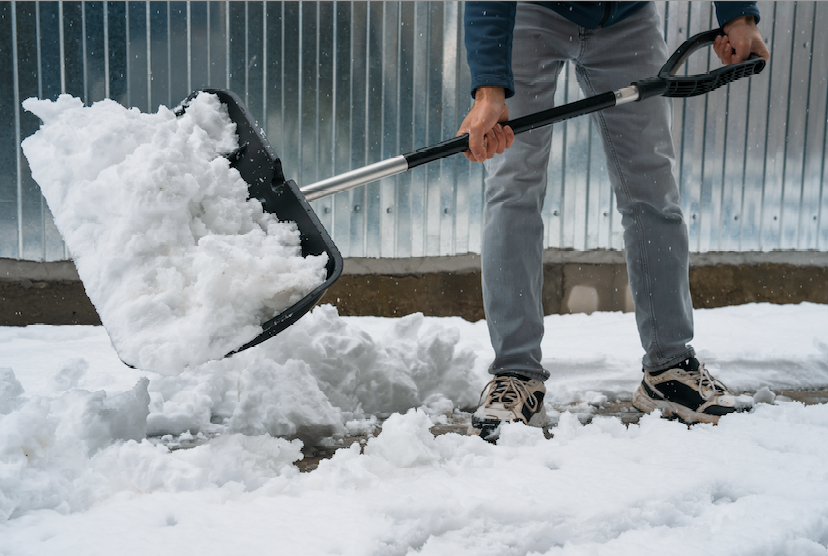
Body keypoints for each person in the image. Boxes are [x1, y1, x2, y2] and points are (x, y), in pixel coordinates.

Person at [457, 1, 771, 440]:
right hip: (531, 12)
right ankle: (516, 376)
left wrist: (738, 14)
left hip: (628, 16)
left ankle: (669, 369)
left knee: (653, 188)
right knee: (513, 185)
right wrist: (490, 90)